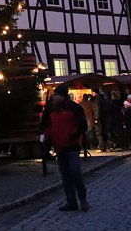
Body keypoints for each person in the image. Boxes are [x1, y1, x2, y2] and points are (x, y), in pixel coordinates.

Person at [40, 83, 89, 212]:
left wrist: (73, 135)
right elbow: (45, 124)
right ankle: (71, 202)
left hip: (72, 145)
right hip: (59, 145)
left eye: (56, 95)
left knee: (74, 170)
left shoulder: (74, 108)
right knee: (65, 174)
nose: (54, 97)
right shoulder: (50, 109)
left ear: (62, 96)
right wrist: (45, 135)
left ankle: (82, 199)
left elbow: (82, 125)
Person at [91, 88, 110, 152]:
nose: (92, 93)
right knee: (103, 131)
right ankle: (109, 145)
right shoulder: (102, 98)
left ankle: (102, 147)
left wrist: (96, 118)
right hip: (103, 117)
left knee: (99, 132)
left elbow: (97, 109)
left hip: (99, 118)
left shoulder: (97, 100)